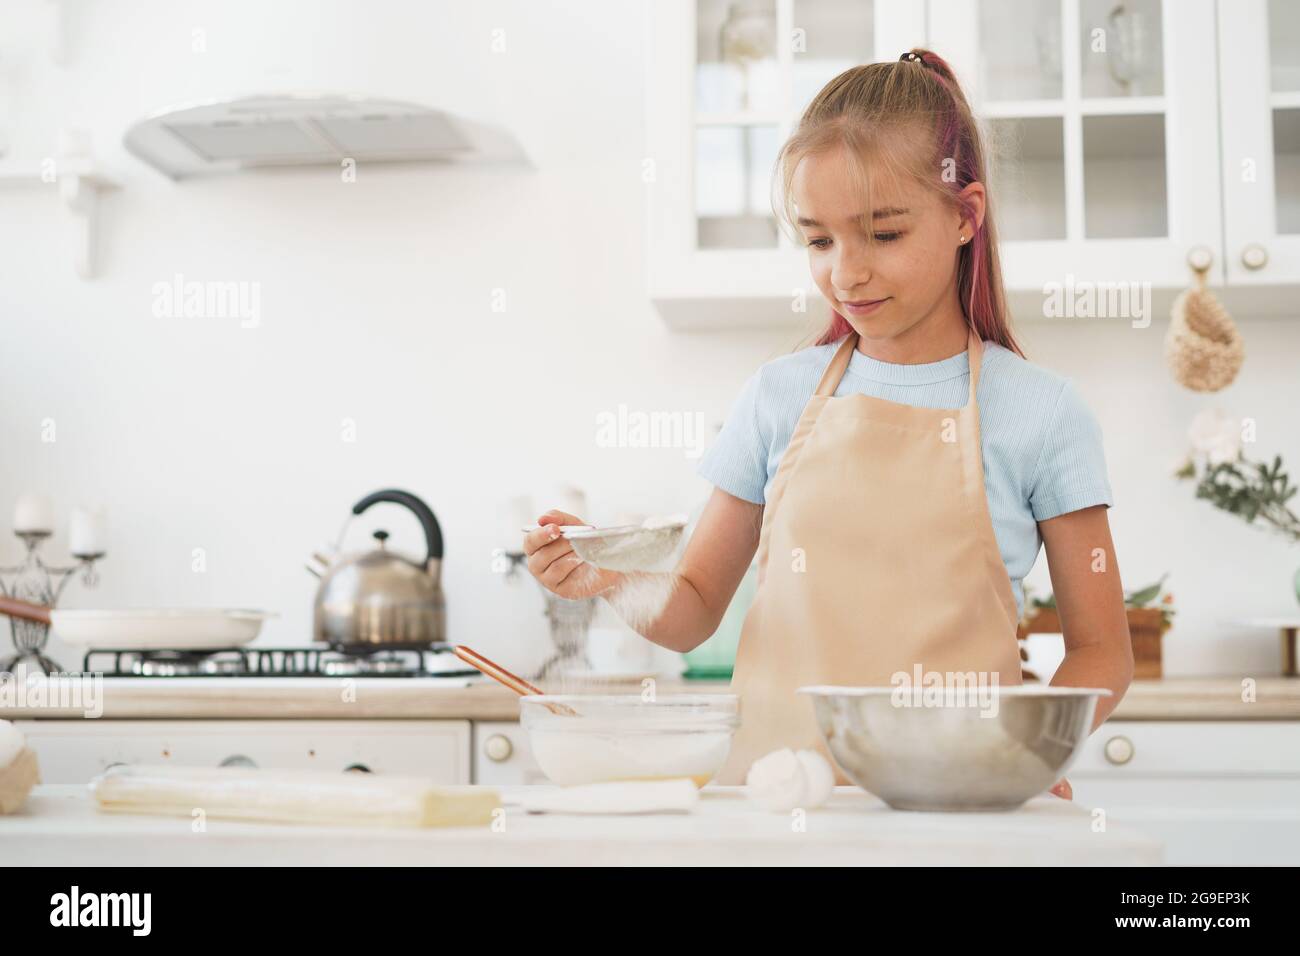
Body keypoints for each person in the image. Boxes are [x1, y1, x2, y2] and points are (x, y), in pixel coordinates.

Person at [523, 49, 1133, 797]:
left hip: (955, 812)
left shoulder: (1043, 413)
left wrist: (1027, 753)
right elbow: (690, 615)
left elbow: (1103, 651)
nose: (846, 271)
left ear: (965, 215)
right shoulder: (776, 397)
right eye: (819, 240)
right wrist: (604, 579)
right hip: (778, 807)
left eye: (883, 234)